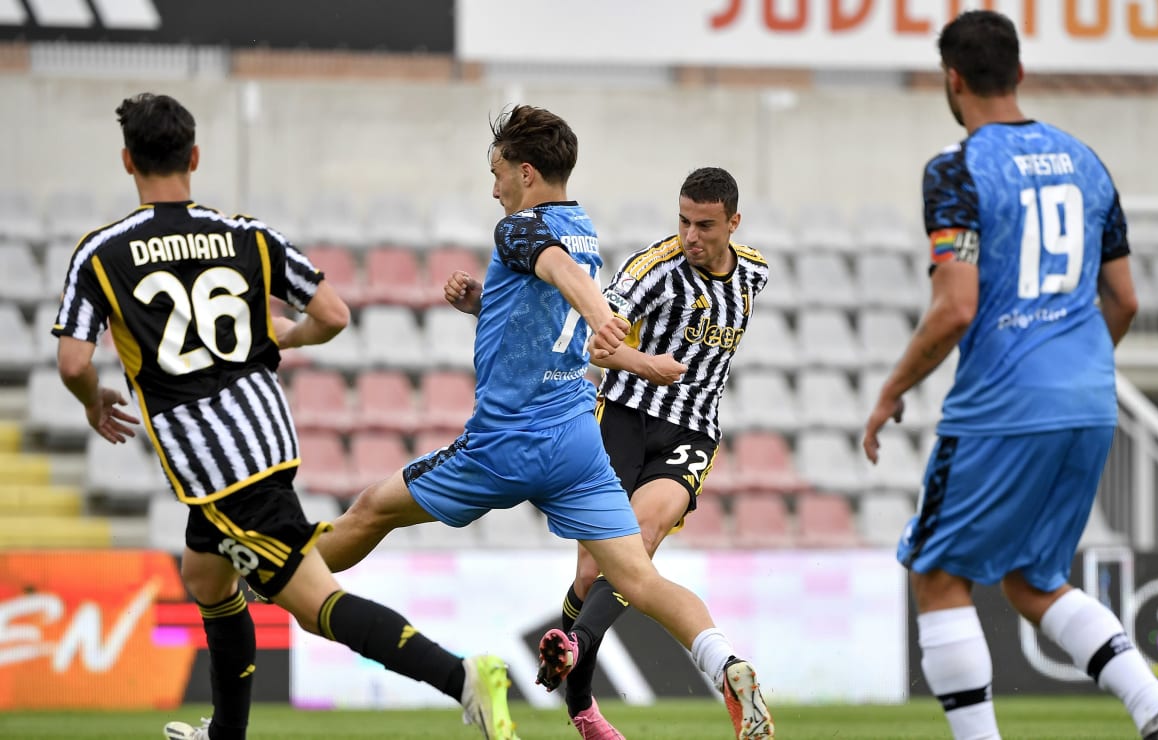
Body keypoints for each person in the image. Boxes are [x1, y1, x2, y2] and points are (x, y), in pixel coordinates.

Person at [53, 93, 518, 740]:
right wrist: (278, 339)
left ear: (128, 161)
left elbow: (75, 363)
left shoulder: (101, 253)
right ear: (194, 156)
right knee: (207, 577)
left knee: (313, 604)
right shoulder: (247, 235)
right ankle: (227, 735)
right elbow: (332, 314)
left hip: (215, 463)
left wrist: (93, 400)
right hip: (265, 434)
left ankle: (462, 676)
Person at [316, 105, 775, 740]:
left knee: (371, 510)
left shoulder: (519, 229)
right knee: (636, 577)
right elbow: (542, 300)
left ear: (526, 172)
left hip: (506, 442)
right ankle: (724, 664)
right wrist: (491, 302)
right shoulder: (583, 226)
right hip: (577, 441)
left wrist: (600, 318)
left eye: (498, 171)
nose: (494, 186)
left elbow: (556, 270)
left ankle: (275, 579)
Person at [861, 11, 1158, 740]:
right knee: (1033, 578)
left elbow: (955, 308)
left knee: (938, 574)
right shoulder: (1086, 160)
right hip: (1089, 398)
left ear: (952, 80)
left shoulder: (956, 169)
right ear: (1019, 72)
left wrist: (892, 390)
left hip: (1004, 405)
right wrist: (1072, 363)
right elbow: (1127, 299)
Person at [540, 166, 768, 739]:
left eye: (706, 226)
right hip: (621, 420)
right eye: (685, 221)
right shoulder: (654, 271)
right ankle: (582, 704)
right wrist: (644, 363)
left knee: (638, 542)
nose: (692, 236)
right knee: (593, 574)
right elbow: (597, 342)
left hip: (691, 433)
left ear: (733, 224)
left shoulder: (756, 274)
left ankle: (573, 649)